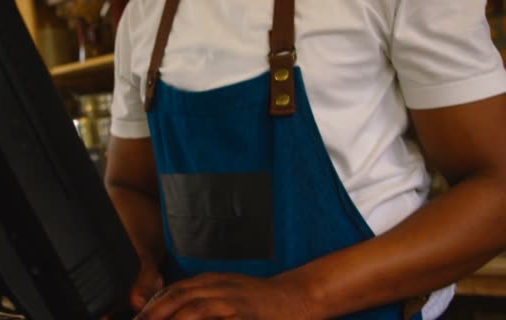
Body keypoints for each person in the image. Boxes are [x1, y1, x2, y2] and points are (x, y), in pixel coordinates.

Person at [105, 0, 506, 319]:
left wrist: (295, 297)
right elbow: (129, 186)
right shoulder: (142, 16)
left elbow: (496, 189)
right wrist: (135, 259)